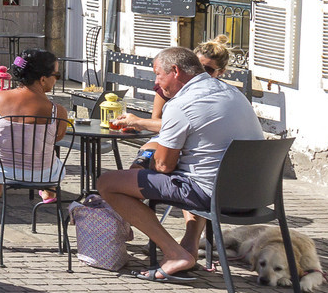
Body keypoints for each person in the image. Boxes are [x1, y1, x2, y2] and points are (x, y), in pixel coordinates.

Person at [98, 46, 264, 281]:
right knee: (188, 171)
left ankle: (175, 253)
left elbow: (164, 166)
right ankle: (189, 247)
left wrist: (144, 163)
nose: (157, 82)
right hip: (255, 196)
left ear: (175, 71)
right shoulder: (232, 93)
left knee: (108, 183)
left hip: (214, 195)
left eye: (158, 74)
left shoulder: (181, 104)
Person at [0, 50, 70, 248]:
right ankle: (48, 191)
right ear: (43, 79)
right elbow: (57, 138)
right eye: (56, 76)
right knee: (50, 158)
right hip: (42, 174)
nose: (56, 80)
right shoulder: (57, 111)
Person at [113, 35, 234, 135]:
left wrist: (138, 122)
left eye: (208, 69)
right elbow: (156, 119)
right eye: (198, 66)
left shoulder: (225, 94)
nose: (201, 72)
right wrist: (138, 122)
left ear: (221, 72)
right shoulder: (170, 88)